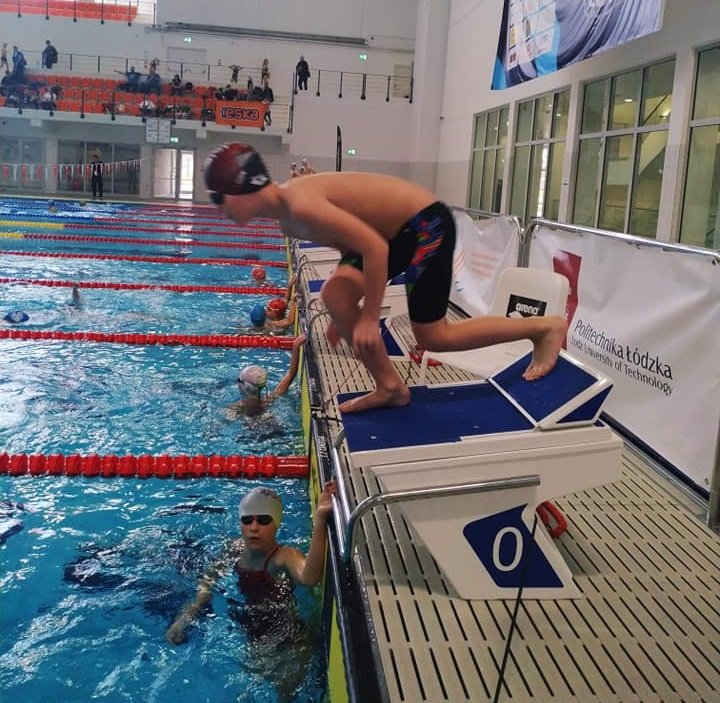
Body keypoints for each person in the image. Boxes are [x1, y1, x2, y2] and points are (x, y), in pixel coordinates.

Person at [205, 144, 568, 413]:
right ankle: (391, 387)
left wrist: (367, 316)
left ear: (240, 188)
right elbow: (350, 246)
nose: (218, 208)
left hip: (425, 224)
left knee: (434, 336)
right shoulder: (288, 221)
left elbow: (374, 248)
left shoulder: (300, 204)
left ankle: (542, 327)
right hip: (393, 232)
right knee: (334, 295)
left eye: (219, 198)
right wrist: (343, 305)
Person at [165, 481, 335, 699]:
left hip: (288, 642)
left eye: (263, 520)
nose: (254, 527)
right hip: (253, 635)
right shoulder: (235, 549)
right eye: (247, 520)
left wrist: (320, 520)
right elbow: (207, 581)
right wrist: (184, 617)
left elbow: (309, 579)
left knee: (286, 697)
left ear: (277, 524)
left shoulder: (284, 556)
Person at [226, 334, 306, 419]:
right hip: (267, 421)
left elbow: (291, 374)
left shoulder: (236, 408)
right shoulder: (267, 401)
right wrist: (295, 346)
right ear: (261, 387)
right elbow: (291, 374)